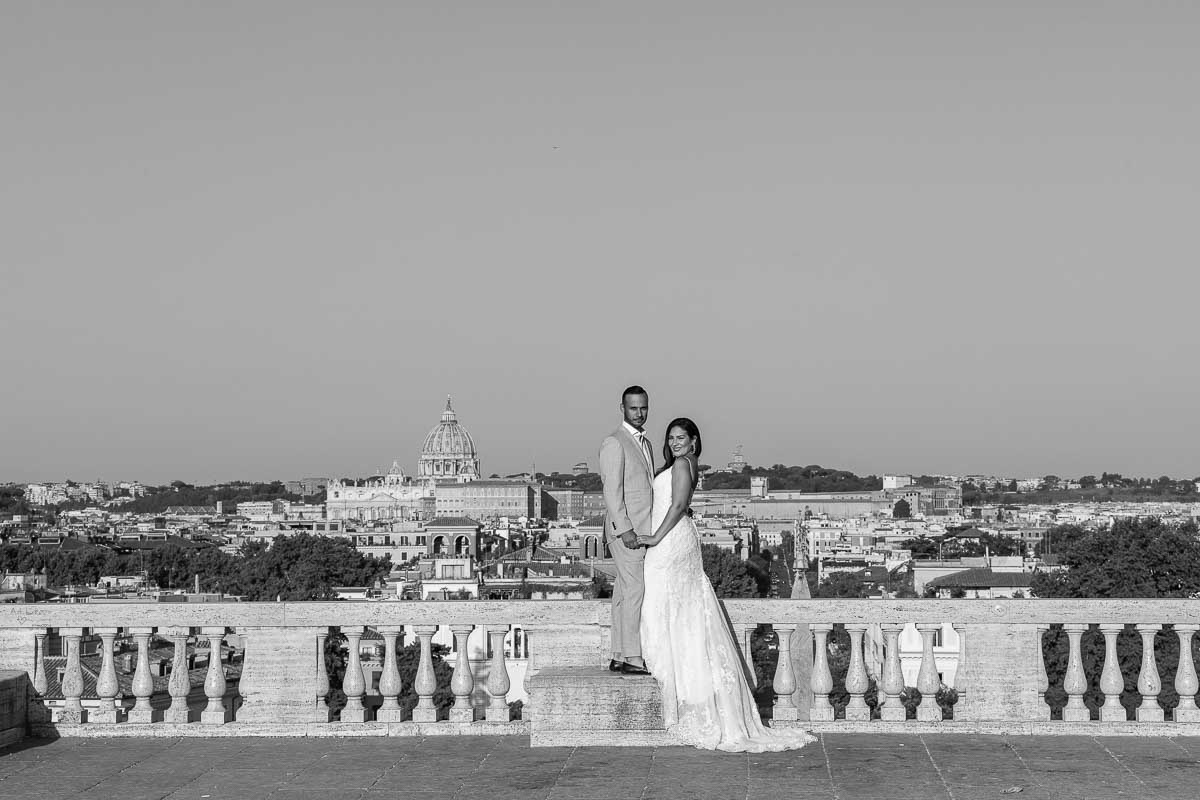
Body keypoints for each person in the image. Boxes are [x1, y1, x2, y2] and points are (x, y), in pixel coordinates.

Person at [637, 417, 815, 751]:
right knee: (684, 613)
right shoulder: (691, 464)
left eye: (681, 437)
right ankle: (689, 693)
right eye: (671, 438)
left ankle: (673, 688)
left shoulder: (679, 465)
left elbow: (677, 506)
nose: (675, 442)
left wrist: (653, 537)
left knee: (663, 605)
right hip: (681, 542)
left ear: (693, 440)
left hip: (670, 542)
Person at [598, 385, 654, 675]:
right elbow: (612, 491)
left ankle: (619, 652)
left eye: (643, 407)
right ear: (622, 408)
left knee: (623, 590)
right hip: (628, 531)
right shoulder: (614, 442)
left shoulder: (646, 443)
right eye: (633, 408)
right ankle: (633, 656)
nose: (639, 413)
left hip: (639, 528)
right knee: (634, 590)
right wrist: (625, 529)